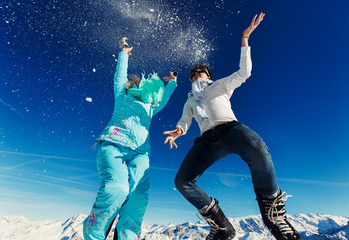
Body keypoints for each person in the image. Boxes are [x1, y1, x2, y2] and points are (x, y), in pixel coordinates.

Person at [164, 13, 302, 240]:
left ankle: (274, 216)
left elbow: (244, 73)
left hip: (231, 130)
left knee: (256, 145)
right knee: (182, 181)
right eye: (195, 70)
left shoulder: (219, 85)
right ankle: (222, 227)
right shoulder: (190, 99)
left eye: (202, 69)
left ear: (208, 75)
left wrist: (245, 38)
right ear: (191, 77)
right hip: (207, 141)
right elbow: (185, 120)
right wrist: (179, 131)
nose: (198, 70)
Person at [83, 38, 177, 240]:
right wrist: (124, 53)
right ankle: (94, 233)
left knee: (138, 194)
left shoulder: (151, 107)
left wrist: (172, 83)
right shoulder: (123, 95)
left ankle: (126, 235)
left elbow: (164, 100)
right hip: (113, 145)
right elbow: (119, 77)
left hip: (140, 153)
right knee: (117, 188)